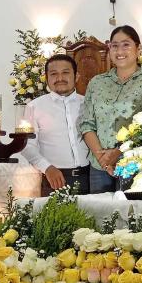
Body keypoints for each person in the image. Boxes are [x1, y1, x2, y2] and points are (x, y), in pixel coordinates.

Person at [78, 25, 142, 193]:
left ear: (138, 49)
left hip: (135, 163)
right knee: (101, 216)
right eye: (114, 45)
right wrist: (102, 158)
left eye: (126, 44)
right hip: (99, 166)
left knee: (134, 215)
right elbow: (86, 124)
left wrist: (118, 152)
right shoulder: (97, 82)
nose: (119, 50)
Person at [21, 54, 90, 196]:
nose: (60, 78)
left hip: (90, 177)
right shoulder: (33, 107)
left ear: (76, 76)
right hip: (54, 179)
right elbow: (26, 146)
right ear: (47, 78)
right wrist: (47, 168)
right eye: (54, 74)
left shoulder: (88, 103)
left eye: (65, 72)